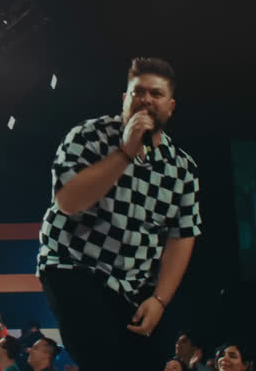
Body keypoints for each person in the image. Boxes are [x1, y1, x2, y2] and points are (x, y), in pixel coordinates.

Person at [37, 57, 201, 370]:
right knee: (103, 358)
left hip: (134, 283)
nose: (146, 99)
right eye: (138, 92)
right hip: (75, 265)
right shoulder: (87, 136)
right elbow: (68, 202)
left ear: (170, 107)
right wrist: (125, 152)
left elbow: (182, 236)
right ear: (125, 98)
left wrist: (160, 300)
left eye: (156, 93)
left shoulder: (182, 167)